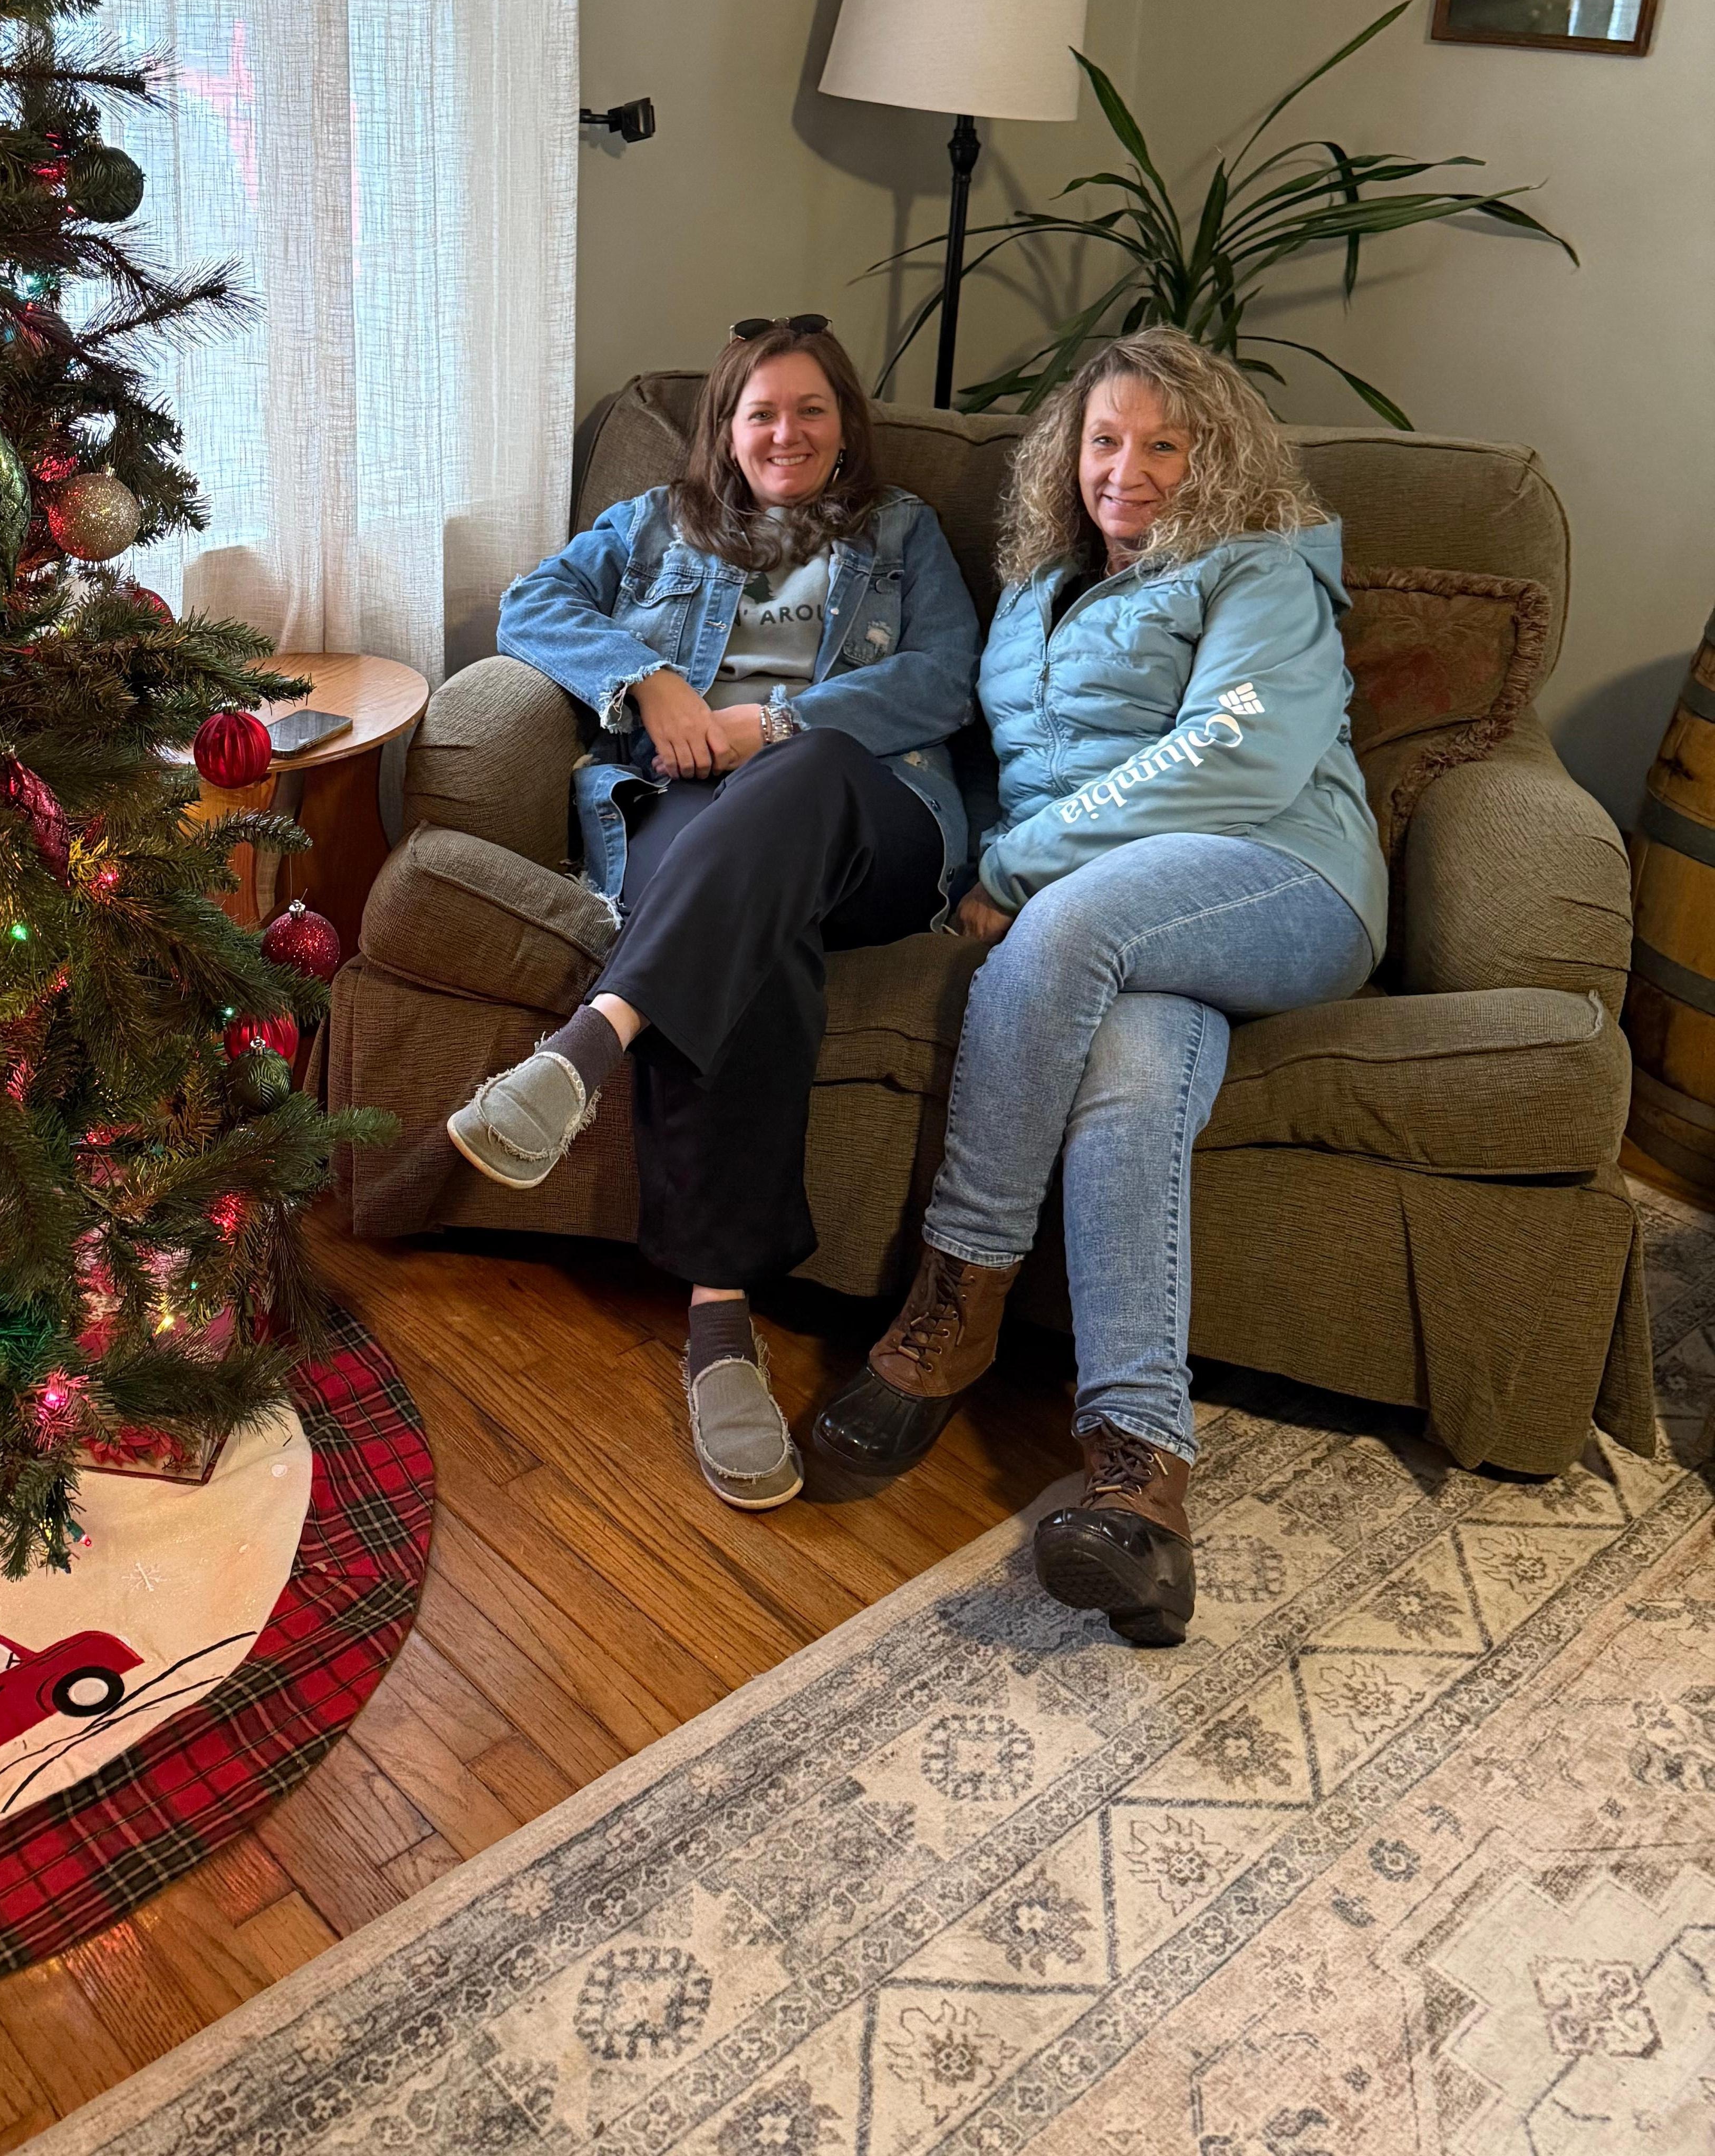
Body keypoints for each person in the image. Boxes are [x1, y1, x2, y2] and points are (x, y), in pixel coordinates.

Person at [813, 327, 1384, 1649]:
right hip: (1126, 924)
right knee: (1128, 1082)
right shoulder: (1033, 588)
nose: (1125, 471)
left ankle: (951, 1313)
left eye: (1163, 445)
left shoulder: (1262, 572)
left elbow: (1234, 765)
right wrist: (949, 853)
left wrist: (1014, 869)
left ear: (1215, 458)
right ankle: (1142, 1487)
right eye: (1104, 441)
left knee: (1064, 934)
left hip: (1281, 876)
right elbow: (986, 763)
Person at [448, 317, 981, 1512]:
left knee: (809, 769)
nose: (785, 434)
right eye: (761, 414)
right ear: (725, 433)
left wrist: (774, 726)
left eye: (810, 412)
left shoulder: (902, 535)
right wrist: (650, 678)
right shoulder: (651, 526)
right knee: (753, 937)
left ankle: (589, 1046)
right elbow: (532, 603)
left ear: (845, 429)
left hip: (868, 817)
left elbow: (942, 676)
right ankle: (720, 1323)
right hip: (693, 814)